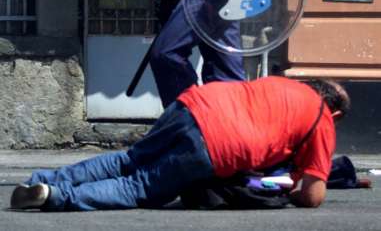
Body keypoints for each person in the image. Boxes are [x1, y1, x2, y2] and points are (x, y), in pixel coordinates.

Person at [10, 76, 350, 211]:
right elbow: (313, 195)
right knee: (140, 187)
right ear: (334, 113)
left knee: (127, 160)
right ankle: (53, 197)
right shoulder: (323, 120)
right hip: (219, 143)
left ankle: (46, 178)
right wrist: (295, 188)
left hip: (193, 104)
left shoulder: (287, 84)